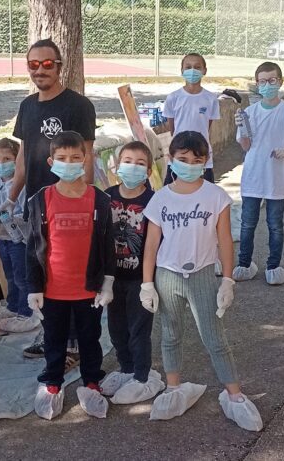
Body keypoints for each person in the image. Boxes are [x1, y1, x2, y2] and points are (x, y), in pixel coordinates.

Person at [140, 131, 263, 431]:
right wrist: (147, 283)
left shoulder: (215, 196)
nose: (190, 165)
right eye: (183, 159)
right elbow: (151, 244)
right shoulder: (161, 198)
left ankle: (234, 395)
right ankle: (173, 388)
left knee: (214, 337)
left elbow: (225, 240)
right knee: (170, 334)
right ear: (171, 159)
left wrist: (228, 280)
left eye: (197, 160)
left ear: (206, 161)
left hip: (204, 275)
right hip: (167, 275)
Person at [0, 38, 97, 361]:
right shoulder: (27, 106)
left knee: (67, 273)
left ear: (59, 66)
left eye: (46, 64)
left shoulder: (79, 106)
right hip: (36, 206)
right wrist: (12, 197)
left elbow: (87, 156)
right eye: (33, 65)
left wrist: (86, 200)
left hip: (68, 206)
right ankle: (51, 335)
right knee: (42, 273)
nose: (40, 70)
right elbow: (23, 156)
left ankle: (72, 345)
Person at [26, 131, 116, 420]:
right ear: (51, 162)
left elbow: (108, 245)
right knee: (54, 339)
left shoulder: (99, 200)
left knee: (90, 338)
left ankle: (91, 381)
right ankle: (53, 382)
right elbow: (33, 247)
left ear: (85, 159)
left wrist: (108, 282)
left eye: (75, 157)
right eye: (62, 158)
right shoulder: (41, 200)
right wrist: (34, 287)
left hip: (88, 289)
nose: (69, 163)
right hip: (53, 290)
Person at [101, 141, 165, 404]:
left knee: (139, 330)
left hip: (141, 278)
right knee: (116, 328)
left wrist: (150, 282)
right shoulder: (106, 197)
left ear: (148, 171)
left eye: (140, 164)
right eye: (127, 161)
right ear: (117, 166)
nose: (133, 167)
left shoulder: (153, 200)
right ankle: (126, 368)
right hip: (112, 279)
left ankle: (142, 376)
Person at [232, 62, 284, 285]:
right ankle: (244, 264)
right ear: (256, 84)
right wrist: (242, 128)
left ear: (280, 82)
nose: (267, 85)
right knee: (247, 223)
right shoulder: (250, 113)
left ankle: (273, 267)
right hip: (253, 173)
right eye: (262, 81)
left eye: (272, 80)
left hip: (277, 175)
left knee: (275, 224)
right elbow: (246, 146)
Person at [0, 138, 39, 333]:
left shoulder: (22, 185)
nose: (1, 163)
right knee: (9, 274)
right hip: (2, 239)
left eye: (7, 159)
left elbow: (25, 213)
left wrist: (9, 221)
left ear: (17, 160)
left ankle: (27, 313)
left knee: (21, 276)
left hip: (19, 240)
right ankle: (13, 306)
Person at [162, 52, 220, 184]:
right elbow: (172, 128)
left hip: (202, 153)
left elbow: (207, 126)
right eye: (188, 67)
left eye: (197, 67)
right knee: (172, 190)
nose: (192, 71)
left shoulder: (211, 99)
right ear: (182, 70)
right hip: (179, 153)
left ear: (204, 70)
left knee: (205, 192)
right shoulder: (173, 97)